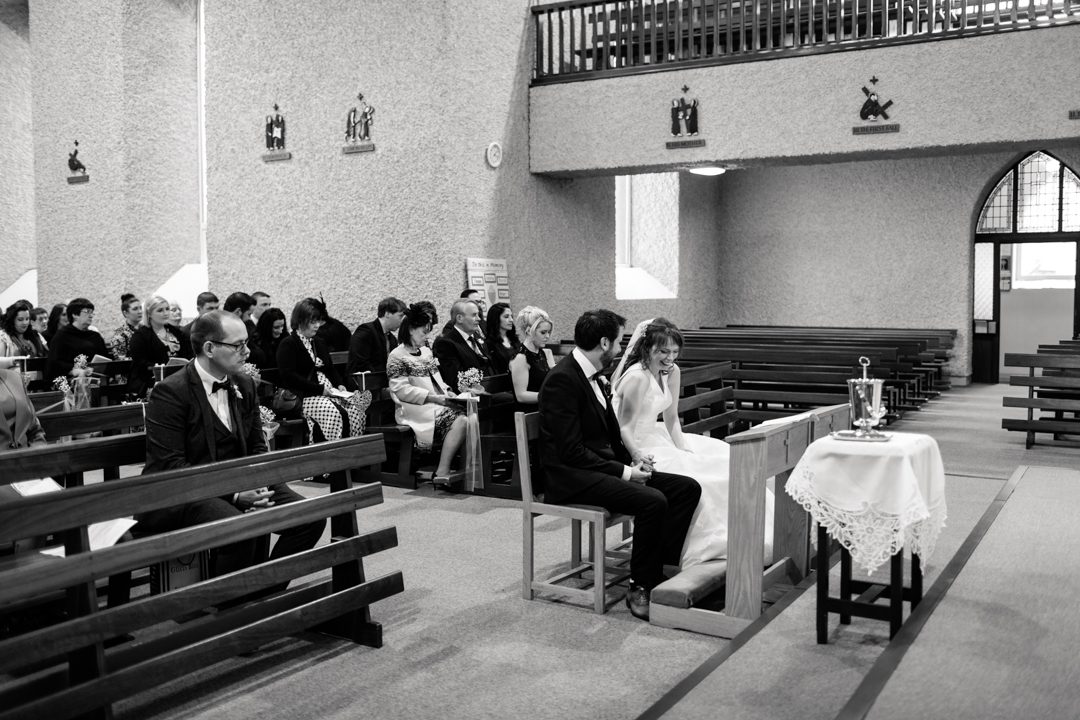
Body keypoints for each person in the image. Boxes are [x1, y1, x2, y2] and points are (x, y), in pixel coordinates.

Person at [537, 309, 700, 621]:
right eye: (618, 341)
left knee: (686, 488)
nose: (621, 347)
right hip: (571, 477)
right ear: (603, 342)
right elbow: (571, 451)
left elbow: (612, 433)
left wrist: (635, 458)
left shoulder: (594, 374)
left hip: (598, 466)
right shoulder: (562, 380)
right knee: (652, 501)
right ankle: (640, 585)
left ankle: (660, 568)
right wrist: (626, 473)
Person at [138, 311, 323, 578]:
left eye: (246, 343)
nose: (247, 352)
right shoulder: (171, 392)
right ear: (209, 349)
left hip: (240, 479)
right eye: (238, 345)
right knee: (241, 528)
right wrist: (235, 496)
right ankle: (230, 600)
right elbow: (172, 466)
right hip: (185, 492)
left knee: (310, 518)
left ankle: (264, 592)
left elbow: (257, 446)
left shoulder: (244, 384)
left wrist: (259, 484)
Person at [611, 318, 774, 571]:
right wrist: (638, 457)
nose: (670, 358)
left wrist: (683, 448)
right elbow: (624, 429)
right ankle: (692, 548)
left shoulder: (672, 371)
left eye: (674, 352)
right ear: (647, 347)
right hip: (634, 445)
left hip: (659, 436)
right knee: (702, 478)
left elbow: (672, 418)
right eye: (663, 351)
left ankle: (750, 535)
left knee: (727, 458)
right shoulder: (637, 378)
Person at [386, 303, 472, 487]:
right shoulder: (396, 356)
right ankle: (442, 470)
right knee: (462, 421)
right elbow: (401, 390)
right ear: (410, 330)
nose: (427, 337)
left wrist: (448, 392)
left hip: (435, 402)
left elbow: (437, 380)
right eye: (423, 332)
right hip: (414, 408)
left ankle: (468, 469)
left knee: (472, 416)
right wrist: (433, 398)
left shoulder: (426, 351)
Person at [276, 298, 369, 446]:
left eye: (318, 321)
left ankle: (352, 453)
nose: (317, 325)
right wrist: (319, 389)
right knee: (333, 412)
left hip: (328, 392)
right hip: (305, 396)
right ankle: (330, 455)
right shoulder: (288, 343)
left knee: (356, 408)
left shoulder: (319, 342)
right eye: (312, 322)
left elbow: (330, 369)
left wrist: (340, 385)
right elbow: (289, 376)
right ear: (300, 321)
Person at [127, 296, 193, 399]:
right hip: (151, 381)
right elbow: (140, 363)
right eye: (160, 310)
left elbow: (188, 353)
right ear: (149, 314)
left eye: (167, 309)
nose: (166, 313)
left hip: (179, 378)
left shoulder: (176, 332)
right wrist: (160, 368)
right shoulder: (140, 336)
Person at [45, 298, 112, 382]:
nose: (91, 315)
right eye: (87, 312)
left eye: (92, 312)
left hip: (96, 379)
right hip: (69, 380)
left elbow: (105, 358)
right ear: (75, 315)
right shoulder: (62, 336)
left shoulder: (95, 336)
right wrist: (73, 370)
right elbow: (54, 364)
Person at [432, 298, 490, 393]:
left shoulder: (477, 338)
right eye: (474, 315)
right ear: (459, 318)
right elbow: (455, 380)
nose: (479, 319)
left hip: (490, 389)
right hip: (471, 395)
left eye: (478, 315)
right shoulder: (446, 343)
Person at [508, 305, 553, 408]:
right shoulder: (520, 358)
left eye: (549, 332)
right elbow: (521, 396)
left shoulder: (541, 353)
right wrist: (551, 396)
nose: (547, 336)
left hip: (543, 407)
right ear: (529, 331)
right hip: (528, 412)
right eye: (543, 332)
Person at [348, 297, 406, 375]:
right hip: (364, 380)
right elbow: (360, 363)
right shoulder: (366, 331)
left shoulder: (392, 339)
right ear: (387, 314)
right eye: (400, 316)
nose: (402, 321)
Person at [0, 300, 48, 365]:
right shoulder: (3, 337)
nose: (25, 323)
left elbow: (47, 354)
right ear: (12, 320)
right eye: (20, 319)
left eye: (27, 319)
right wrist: (17, 360)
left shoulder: (35, 334)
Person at [483, 302, 517, 376]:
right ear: (496, 319)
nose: (511, 320)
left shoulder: (515, 340)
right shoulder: (489, 344)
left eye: (511, 316)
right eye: (506, 317)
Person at [107, 293, 142, 360]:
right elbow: (121, 361)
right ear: (125, 313)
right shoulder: (119, 335)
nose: (140, 311)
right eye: (135, 309)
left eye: (140, 308)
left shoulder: (147, 329)